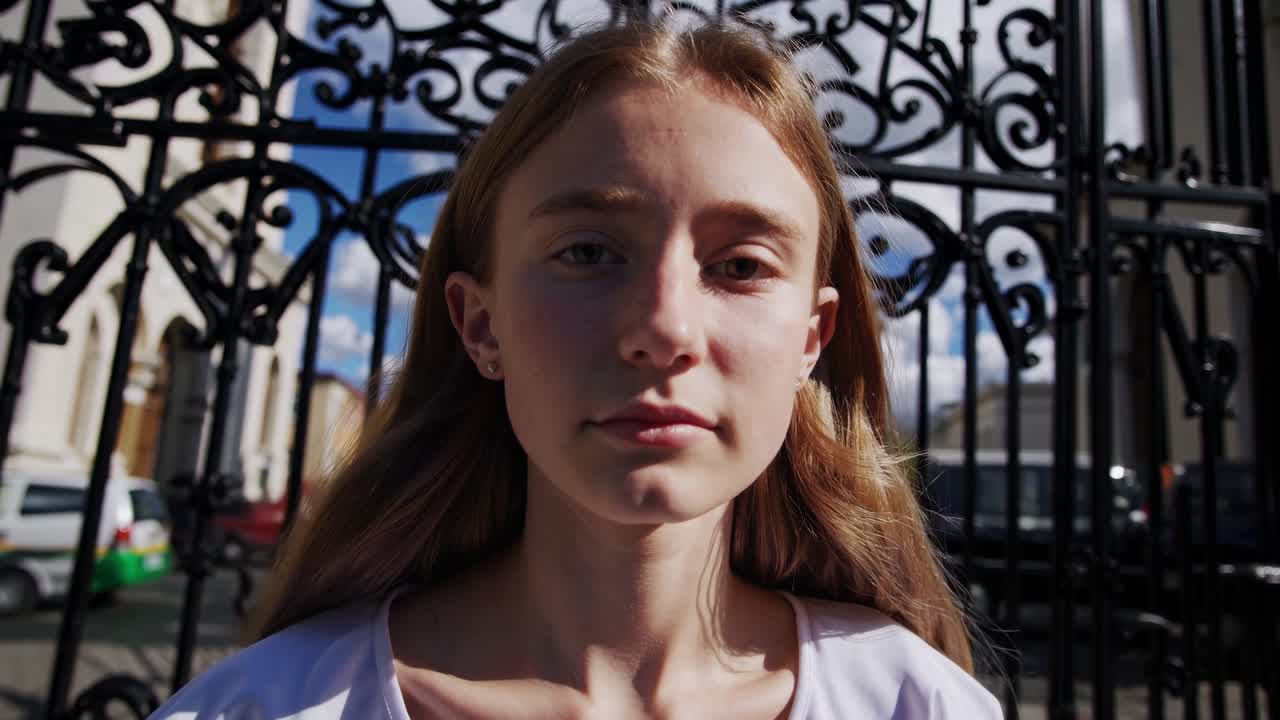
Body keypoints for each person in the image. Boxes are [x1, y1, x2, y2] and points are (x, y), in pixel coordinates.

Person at [151, 19, 1001, 720]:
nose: (664, 329)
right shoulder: (262, 706)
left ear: (811, 339)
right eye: (589, 251)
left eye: (740, 266)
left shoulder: (916, 704)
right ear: (479, 325)